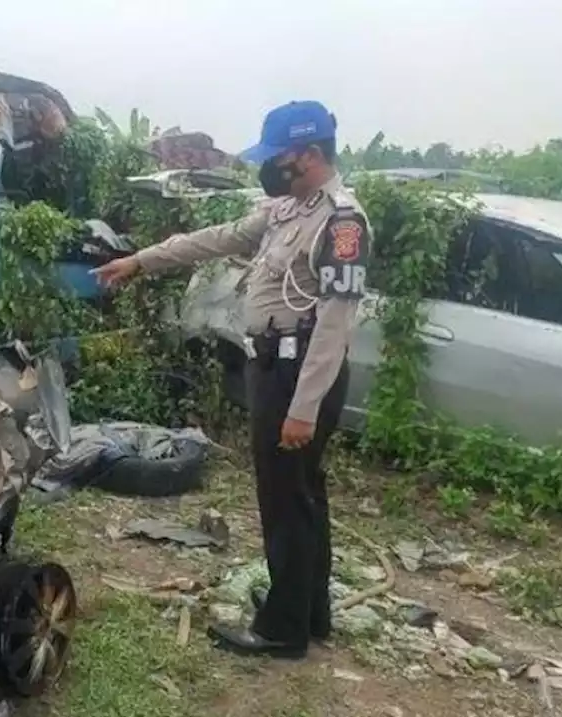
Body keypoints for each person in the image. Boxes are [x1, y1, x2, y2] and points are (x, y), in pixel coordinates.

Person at [92, 100, 371, 660]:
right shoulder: (287, 209)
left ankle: (281, 630)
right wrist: (140, 260)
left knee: (284, 499)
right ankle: (310, 613)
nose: (268, 168)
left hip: (299, 374)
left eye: (278, 158)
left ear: (310, 155)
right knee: (303, 493)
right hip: (275, 365)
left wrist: (303, 407)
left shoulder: (341, 222)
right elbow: (216, 237)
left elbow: (337, 322)